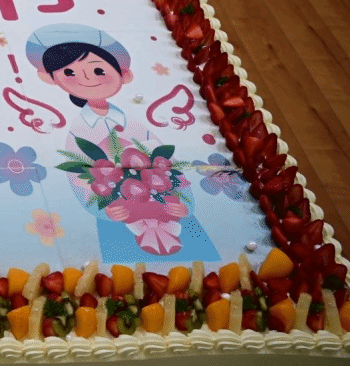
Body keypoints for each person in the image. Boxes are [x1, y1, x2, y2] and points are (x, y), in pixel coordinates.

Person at [26, 23, 220, 262]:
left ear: (124, 74)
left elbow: (169, 164)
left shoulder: (135, 124)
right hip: (119, 220)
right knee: (124, 273)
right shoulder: (78, 132)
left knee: (198, 261)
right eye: (69, 73)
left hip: (169, 211)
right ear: (50, 78)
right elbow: (78, 179)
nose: (86, 78)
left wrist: (184, 204)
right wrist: (104, 210)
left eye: (98, 70)